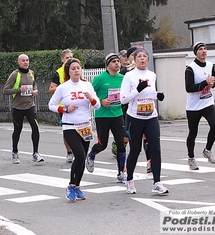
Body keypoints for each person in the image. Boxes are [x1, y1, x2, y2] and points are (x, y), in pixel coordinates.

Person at [49, 58, 100, 201]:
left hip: (85, 126)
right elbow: (51, 105)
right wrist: (65, 108)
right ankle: (71, 185)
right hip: (70, 126)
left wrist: (91, 99)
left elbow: (98, 106)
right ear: (68, 72)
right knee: (78, 153)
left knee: (82, 158)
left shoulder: (87, 85)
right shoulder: (63, 87)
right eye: (73, 68)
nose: (76, 70)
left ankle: (77, 186)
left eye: (78, 68)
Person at [120, 48, 168, 195]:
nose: (142, 59)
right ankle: (129, 180)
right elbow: (123, 99)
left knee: (156, 149)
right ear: (134, 60)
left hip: (151, 116)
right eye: (139, 56)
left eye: (144, 56)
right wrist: (137, 90)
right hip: (135, 117)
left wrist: (157, 95)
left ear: (148, 59)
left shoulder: (152, 75)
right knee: (135, 150)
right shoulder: (129, 76)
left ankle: (157, 182)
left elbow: (150, 93)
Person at [85, 53, 126, 183]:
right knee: (103, 144)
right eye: (114, 61)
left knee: (121, 143)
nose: (117, 63)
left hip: (117, 114)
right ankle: (91, 155)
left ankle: (121, 172)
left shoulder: (123, 78)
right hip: (102, 115)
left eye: (118, 61)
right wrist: (101, 100)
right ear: (108, 65)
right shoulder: (100, 79)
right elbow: (91, 94)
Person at [3, 54, 44, 164]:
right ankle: (15, 152)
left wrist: (35, 91)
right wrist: (19, 90)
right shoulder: (14, 75)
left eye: (27, 60)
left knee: (35, 127)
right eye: (23, 61)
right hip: (18, 107)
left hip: (30, 105)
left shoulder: (31, 73)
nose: (26, 62)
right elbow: (5, 90)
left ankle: (36, 153)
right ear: (18, 62)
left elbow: (34, 85)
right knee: (18, 130)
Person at [185, 42, 215, 170]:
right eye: (200, 49)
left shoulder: (210, 65)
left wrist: (211, 85)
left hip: (208, 102)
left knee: (214, 126)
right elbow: (189, 88)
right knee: (193, 132)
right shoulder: (190, 68)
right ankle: (191, 158)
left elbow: (213, 82)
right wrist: (205, 83)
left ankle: (207, 150)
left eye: (205, 49)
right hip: (194, 106)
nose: (203, 51)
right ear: (196, 52)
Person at [48, 49, 74, 163]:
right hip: (63, 106)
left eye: (71, 57)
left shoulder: (77, 70)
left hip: (76, 104)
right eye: (67, 58)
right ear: (62, 59)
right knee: (67, 129)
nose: (69, 60)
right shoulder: (58, 72)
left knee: (79, 127)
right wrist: (62, 87)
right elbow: (51, 89)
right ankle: (69, 152)